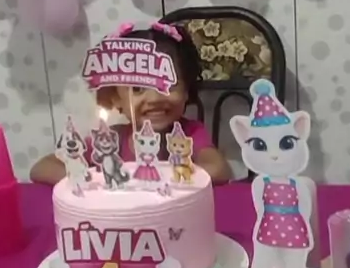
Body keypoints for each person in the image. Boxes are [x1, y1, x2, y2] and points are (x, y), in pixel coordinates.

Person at [30, 21, 231, 186]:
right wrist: (95, 179)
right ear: (115, 97)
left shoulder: (189, 134)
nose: (155, 99)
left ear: (187, 89)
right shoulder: (111, 140)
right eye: (138, 88)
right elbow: (42, 168)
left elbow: (219, 169)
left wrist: (168, 176)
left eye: (167, 85)